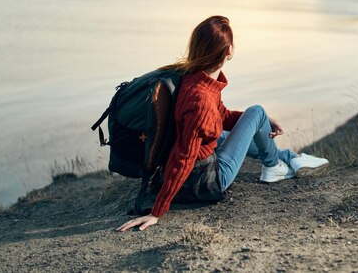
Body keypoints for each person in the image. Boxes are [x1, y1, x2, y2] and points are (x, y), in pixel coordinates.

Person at [117, 15, 329, 232]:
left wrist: (258, 123)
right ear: (229, 51)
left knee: (232, 129)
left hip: (202, 164)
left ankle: (290, 158)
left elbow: (223, 116)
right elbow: (184, 155)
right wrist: (157, 211)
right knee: (256, 110)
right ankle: (274, 166)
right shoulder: (200, 99)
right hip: (209, 181)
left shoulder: (196, 79)